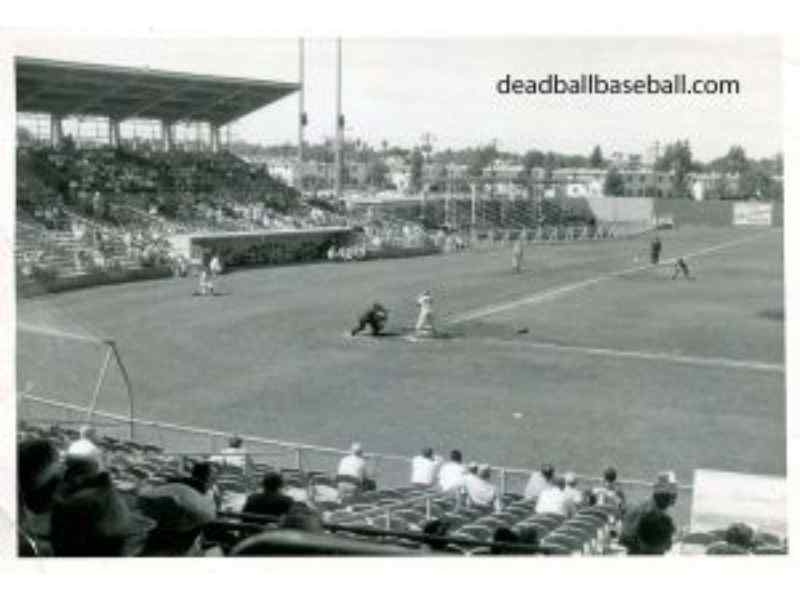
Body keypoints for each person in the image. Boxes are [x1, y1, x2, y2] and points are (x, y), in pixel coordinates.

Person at [620, 472, 678, 554]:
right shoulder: (642, 511)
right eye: (671, 496)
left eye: (674, 495)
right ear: (661, 495)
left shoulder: (661, 511)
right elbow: (624, 539)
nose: (673, 500)